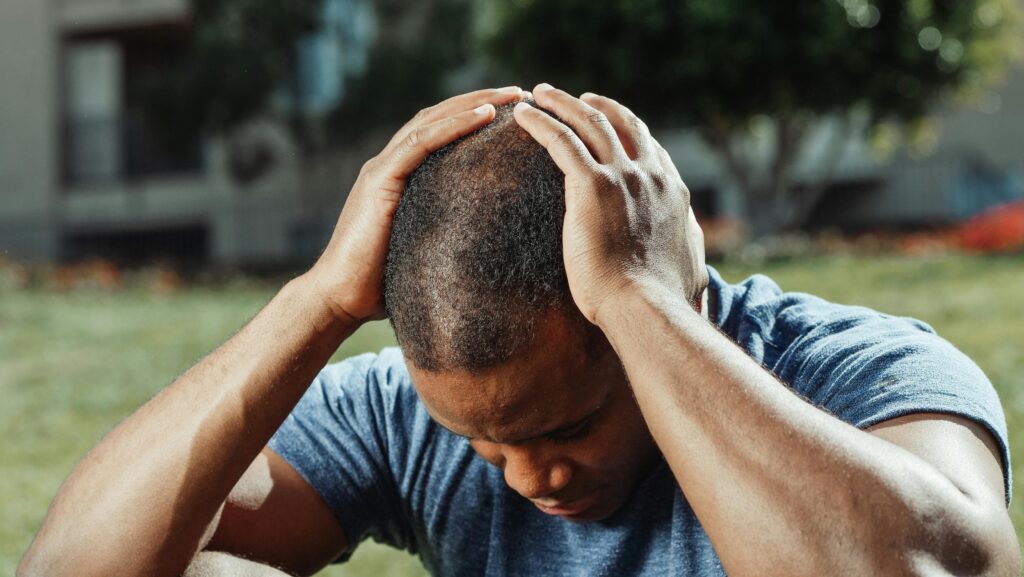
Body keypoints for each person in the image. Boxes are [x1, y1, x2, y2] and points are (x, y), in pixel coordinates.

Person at [18, 84, 1019, 577]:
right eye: (483, 443)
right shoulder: (404, 413)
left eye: (566, 427)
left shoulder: (866, 369)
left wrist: (638, 302)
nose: (527, 476)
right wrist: (318, 300)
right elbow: (76, 571)